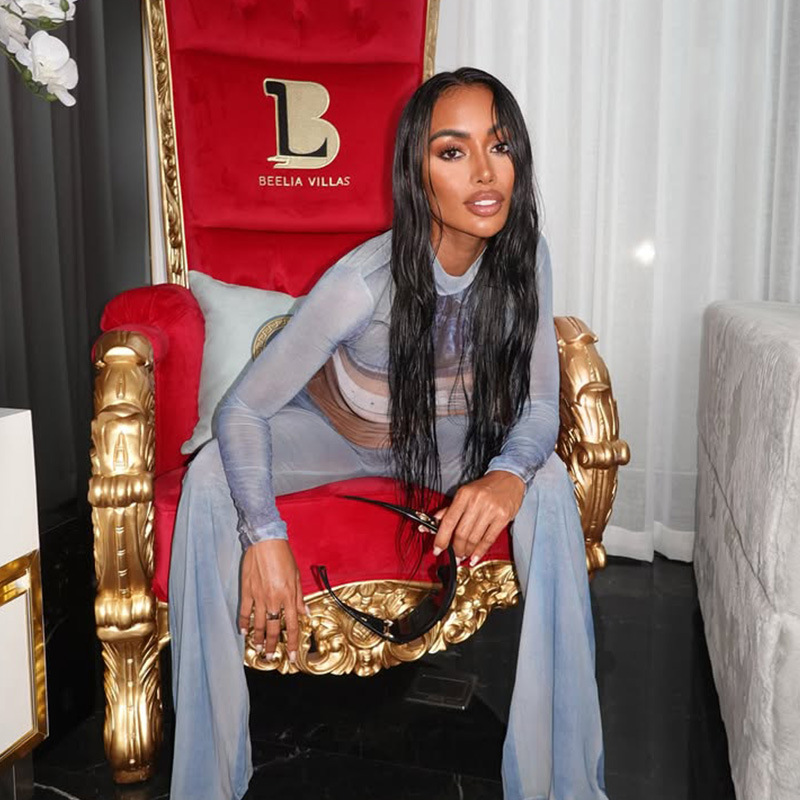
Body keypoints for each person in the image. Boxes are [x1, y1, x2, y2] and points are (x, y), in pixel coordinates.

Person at [168, 67, 608, 800]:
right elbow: (241, 410)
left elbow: (538, 403)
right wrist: (264, 534)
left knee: (549, 483)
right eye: (453, 151)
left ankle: (561, 784)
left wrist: (508, 474)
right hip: (340, 436)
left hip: (454, 443)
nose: (484, 172)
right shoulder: (362, 281)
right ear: (418, 173)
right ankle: (205, 785)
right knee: (214, 474)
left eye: (499, 146)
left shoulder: (526, 257)